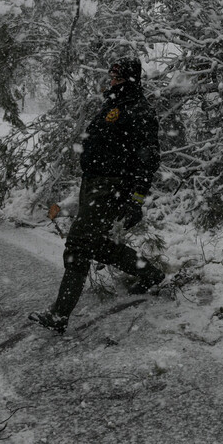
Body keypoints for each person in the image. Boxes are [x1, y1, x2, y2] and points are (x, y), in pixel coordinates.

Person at [29, 57, 163, 334]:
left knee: (78, 245)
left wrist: (136, 199)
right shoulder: (112, 105)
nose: (111, 79)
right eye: (111, 74)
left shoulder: (139, 111)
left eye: (117, 76)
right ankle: (150, 273)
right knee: (99, 245)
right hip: (93, 185)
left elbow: (148, 160)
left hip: (113, 189)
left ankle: (59, 314)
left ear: (130, 79)